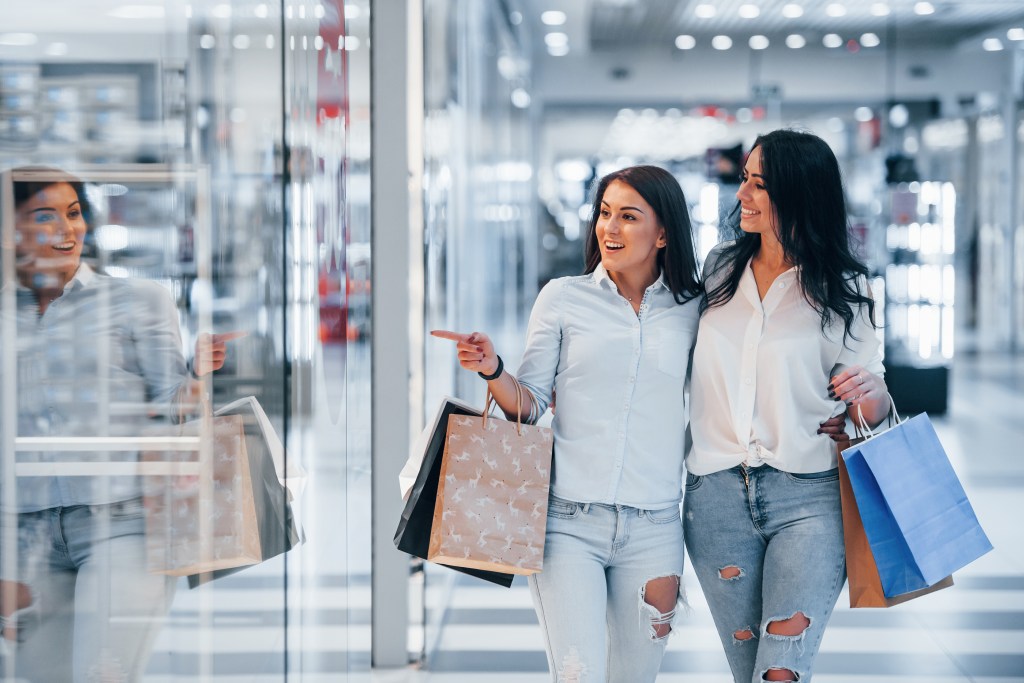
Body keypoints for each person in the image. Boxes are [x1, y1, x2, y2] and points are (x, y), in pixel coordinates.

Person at [434, 164, 701, 681]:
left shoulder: (691, 310)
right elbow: (530, 403)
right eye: (604, 214)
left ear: (663, 232)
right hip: (568, 524)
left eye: (628, 216)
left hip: (656, 528)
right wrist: (492, 369)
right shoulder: (563, 297)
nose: (610, 229)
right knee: (577, 673)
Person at [2, 167, 240, 681]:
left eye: (74, 213)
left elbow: (173, 412)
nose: (69, 231)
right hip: (23, 533)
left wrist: (197, 374)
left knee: (102, 674)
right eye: (45, 217)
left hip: (125, 522)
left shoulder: (136, 301)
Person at [683, 129, 891, 683]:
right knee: (745, 668)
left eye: (758, 185)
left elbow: (872, 396)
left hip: (810, 496)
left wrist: (868, 396)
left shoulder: (846, 288)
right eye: (744, 180)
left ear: (799, 193)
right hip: (716, 496)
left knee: (780, 671)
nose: (741, 196)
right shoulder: (719, 271)